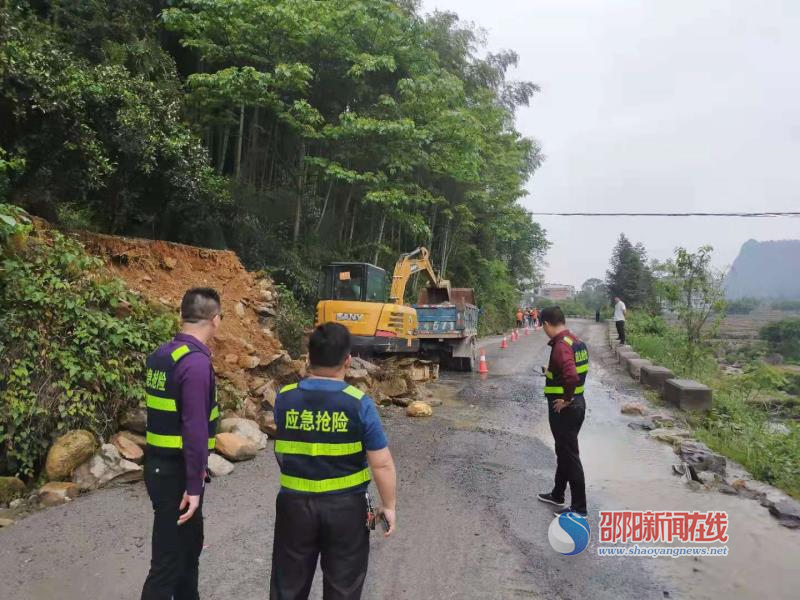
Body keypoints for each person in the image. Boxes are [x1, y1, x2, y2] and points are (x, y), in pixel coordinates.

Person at [270, 322, 397, 600]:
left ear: (308, 358)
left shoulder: (285, 398)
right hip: (346, 510)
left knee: (287, 587)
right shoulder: (359, 403)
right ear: (348, 360)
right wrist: (388, 506)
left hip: (294, 506)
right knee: (343, 588)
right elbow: (381, 463)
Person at [140, 288, 222, 600]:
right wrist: (194, 485)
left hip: (160, 466)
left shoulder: (163, 354)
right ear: (215, 320)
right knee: (168, 563)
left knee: (187, 554)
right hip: (176, 475)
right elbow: (195, 429)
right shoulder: (196, 363)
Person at [536, 306, 589, 517]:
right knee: (564, 452)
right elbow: (571, 370)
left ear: (547, 324)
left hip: (565, 409)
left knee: (570, 456)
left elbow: (571, 376)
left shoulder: (560, 346)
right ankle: (558, 494)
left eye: (543, 326)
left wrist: (566, 399)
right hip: (577, 405)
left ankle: (579, 508)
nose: (543, 330)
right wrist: (550, 373)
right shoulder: (576, 341)